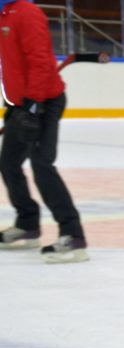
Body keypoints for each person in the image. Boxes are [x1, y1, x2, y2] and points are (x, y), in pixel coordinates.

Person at [0, 0, 89, 263]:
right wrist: (15, 104)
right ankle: (28, 225)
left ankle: (73, 235)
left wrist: (33, 105)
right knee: (8, 162)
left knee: (41, 164)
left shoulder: (26, 13)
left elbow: (40, 60)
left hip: (43, 102)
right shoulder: (4, 15)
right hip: (21, 105)